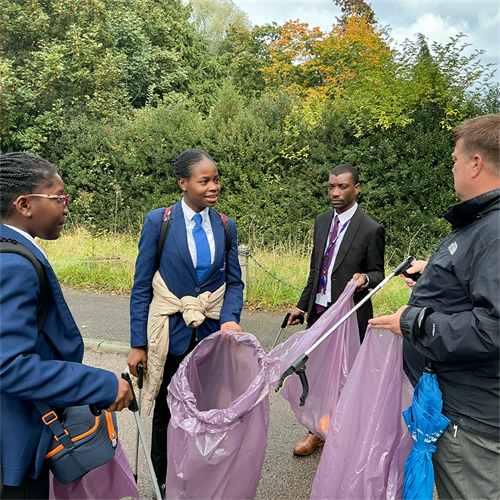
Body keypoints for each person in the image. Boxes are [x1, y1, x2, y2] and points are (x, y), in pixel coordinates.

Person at [369, 114, 500, 500]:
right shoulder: (483, 225)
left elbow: (492, 327)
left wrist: (412, 321)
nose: (453, 169)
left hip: (472, 420)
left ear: (476, 163)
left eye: (456, 160)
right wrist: (436, 273)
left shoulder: (493, 231)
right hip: (464, 405)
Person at [0, 152, 133, 500]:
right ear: (25, 204)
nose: (66, 208)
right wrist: (102, 384)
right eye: (60, 198)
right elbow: (9, 365)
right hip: (12, 444)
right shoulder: (14, 264)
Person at [127, 149, 244, 498]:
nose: (214, 186)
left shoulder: (225, 225)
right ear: (183, 183)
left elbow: (234, 282)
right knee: (166, 414)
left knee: (208, 410)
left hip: (211, 336)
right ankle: (163, 485)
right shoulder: (158, 221)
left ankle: (200, 480)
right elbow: (141, 284)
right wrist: (137, 343)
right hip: (170, 335)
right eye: (204, 180)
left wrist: (229, 320)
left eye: (216, 179)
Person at [287, 163, 385, 456]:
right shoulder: (321, 221)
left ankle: (344, 431)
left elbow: (378, 273)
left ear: (356, 188)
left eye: (342, 186)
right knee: (315, 371)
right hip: (318, 312)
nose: (335, 192)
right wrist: (301, 306)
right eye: (331, 186)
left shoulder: (370, 228)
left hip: (349, 314)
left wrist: (365, 279)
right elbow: (315, 269)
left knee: (346, 374)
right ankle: (315, 430)